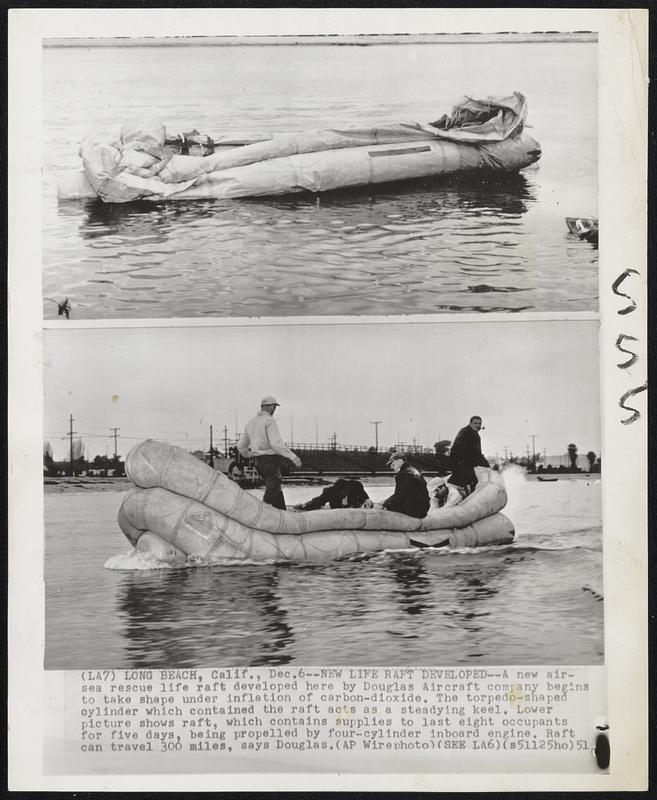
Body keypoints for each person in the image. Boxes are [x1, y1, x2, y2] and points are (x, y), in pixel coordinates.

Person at [238, 395, 302, 510]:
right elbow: (276, 444)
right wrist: (294, 458)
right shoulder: (269, 421)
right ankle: (263, 514)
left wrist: (249, 454)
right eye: (274, 407)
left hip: (258, 461)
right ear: (270, 407)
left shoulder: (251, 423)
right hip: (270, 461)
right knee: (272, 490)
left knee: (276, 488)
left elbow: (241, 446)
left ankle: (282, 514)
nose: (275, 410)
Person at [381, 452, 430, 519]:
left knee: (384, 507)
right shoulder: (414, 470)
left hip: (414, 511)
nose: (391, 466)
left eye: (392, 463)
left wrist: (385, 503)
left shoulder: (403, 474)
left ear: (399, 461)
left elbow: (399, 497)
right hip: (423, 509)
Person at [448, 415, 489, 489]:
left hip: (459, 464)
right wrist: (487, 465)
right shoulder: (471, 433)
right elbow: (476, 452)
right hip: (462, 465)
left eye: (479, 423)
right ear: (470, 423)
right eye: (475, 423)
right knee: (475, 483)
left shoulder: (466, 431)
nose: (478, 425)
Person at [293, 477, 373, 511]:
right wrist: (304, 506)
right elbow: (319, 501)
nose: (342, 494)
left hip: (355, 509)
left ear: (347, 488)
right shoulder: (330, 492)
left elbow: (367, 499)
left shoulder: (356, 487)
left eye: (343, 492)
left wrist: (367, 505)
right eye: (339, 493)